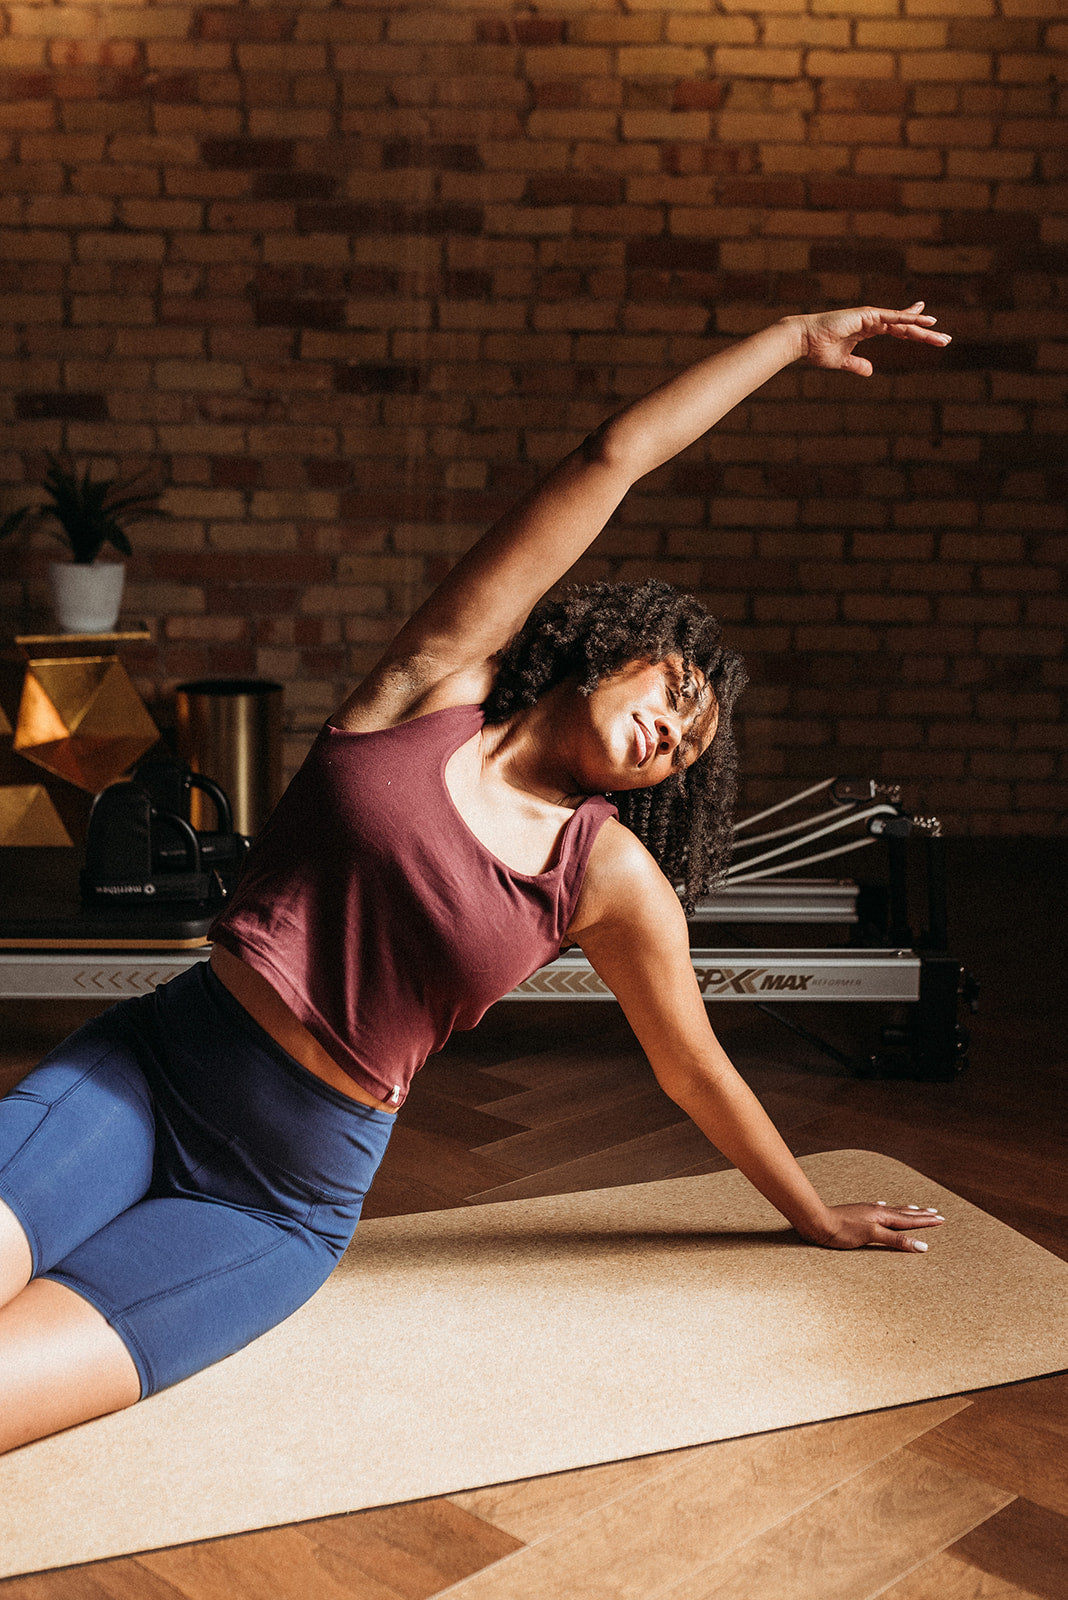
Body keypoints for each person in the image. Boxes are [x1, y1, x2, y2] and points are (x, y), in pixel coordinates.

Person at [0, 303, 950, 1454]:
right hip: (147, 1072)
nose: (672, 734)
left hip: (271, 1198)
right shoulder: (435, 684)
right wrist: (791, 341)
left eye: (692, 746)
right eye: (676, 693)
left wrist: (810, 1212)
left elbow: (692, 1064)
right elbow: (610, 457)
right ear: (620, 645)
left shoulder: (606, 872)